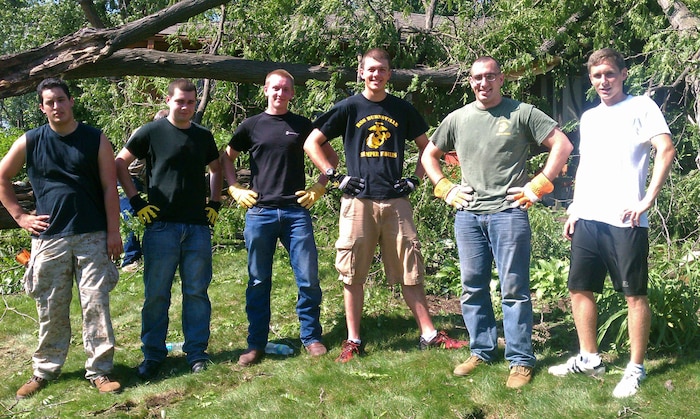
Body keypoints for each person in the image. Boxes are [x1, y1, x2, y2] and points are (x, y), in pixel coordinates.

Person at [304, 47, 469, 363]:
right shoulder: (349, 107)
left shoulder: (402, 109)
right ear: (361, 72)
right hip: (357, 202)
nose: (376, 74)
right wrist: (334, 176)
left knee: (411, 269)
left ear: (389, 74)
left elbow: (428, 150)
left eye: (382, 69)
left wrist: (415, 181)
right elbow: (312, 142)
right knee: (352, 273)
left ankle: (429, 334)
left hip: (396, 202)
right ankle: (353, 340)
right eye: (371, 69)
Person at [421, 56, 573, 388]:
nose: (483, 83)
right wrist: (445, 188)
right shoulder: (458, 118)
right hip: (468, 216)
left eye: (490, 76)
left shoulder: (522, 113)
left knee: (514, 289)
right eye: (477, 78)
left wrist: (539, 185)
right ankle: (483, 351)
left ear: (501, 79)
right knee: (472, 286)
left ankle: (520, 360)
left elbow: (562, 144)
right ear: (470, 82)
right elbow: (428, 155)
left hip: (508, 214)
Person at [547, 48, 675, 398]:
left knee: (634, 294)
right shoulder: (589, 118)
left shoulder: (641, 107)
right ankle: (590, 358)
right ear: (591, 80)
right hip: (589, 217)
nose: (603, 81)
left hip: (626, 218)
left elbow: (666, 148)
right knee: (579, 288)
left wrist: (647, 199)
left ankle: (636, 368)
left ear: (622, 75)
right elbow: (587, 166)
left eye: (609, 74)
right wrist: (574, 208)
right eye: (597, 76)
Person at [0, 78, 123, 398]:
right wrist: (20, 216)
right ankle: (44, 370)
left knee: (96, 304)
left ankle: (100, 371)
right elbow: (2, 176)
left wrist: (113, 231)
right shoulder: (30, 141)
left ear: (71, 101)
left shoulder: (95, 139)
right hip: (49, 238)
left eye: (61, 100)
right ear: (42, 108)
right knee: (50, 307)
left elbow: (111, 187)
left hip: (91, 235)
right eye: (50, 102)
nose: (56, 106)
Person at [222, 69, 333, 366]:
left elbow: (330, 158)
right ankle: (256, 343)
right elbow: (226, 158)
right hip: (260, 212)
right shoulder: (251, 125)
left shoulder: (302, 125)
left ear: (292, 94)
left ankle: (311, 337)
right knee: (258, 280)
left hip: (296, 212)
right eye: (275, 88)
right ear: (265, 90)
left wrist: (319, 187)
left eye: (286, 89)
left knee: (308, 278)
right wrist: (234, 188)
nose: (280, 94)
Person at [115, 78, 223, 379]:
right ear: (168, 101)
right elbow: (120, 163)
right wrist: (136, 202)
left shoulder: (203, 135)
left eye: (190, 102)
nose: (186, 107)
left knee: (197, 292)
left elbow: (216, 169)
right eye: (180, 102)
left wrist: (214, 202)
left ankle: (197, 352)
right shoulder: (151, 132)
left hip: (197, 227)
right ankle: (153, 355)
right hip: (160, 226)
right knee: (156, 294)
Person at [119, 109, 169, 272]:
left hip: (146, 183)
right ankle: (130, 260)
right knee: (131, 216)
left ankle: (155, 254)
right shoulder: (144, 133)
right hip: (127, 179)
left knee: (154, 215)